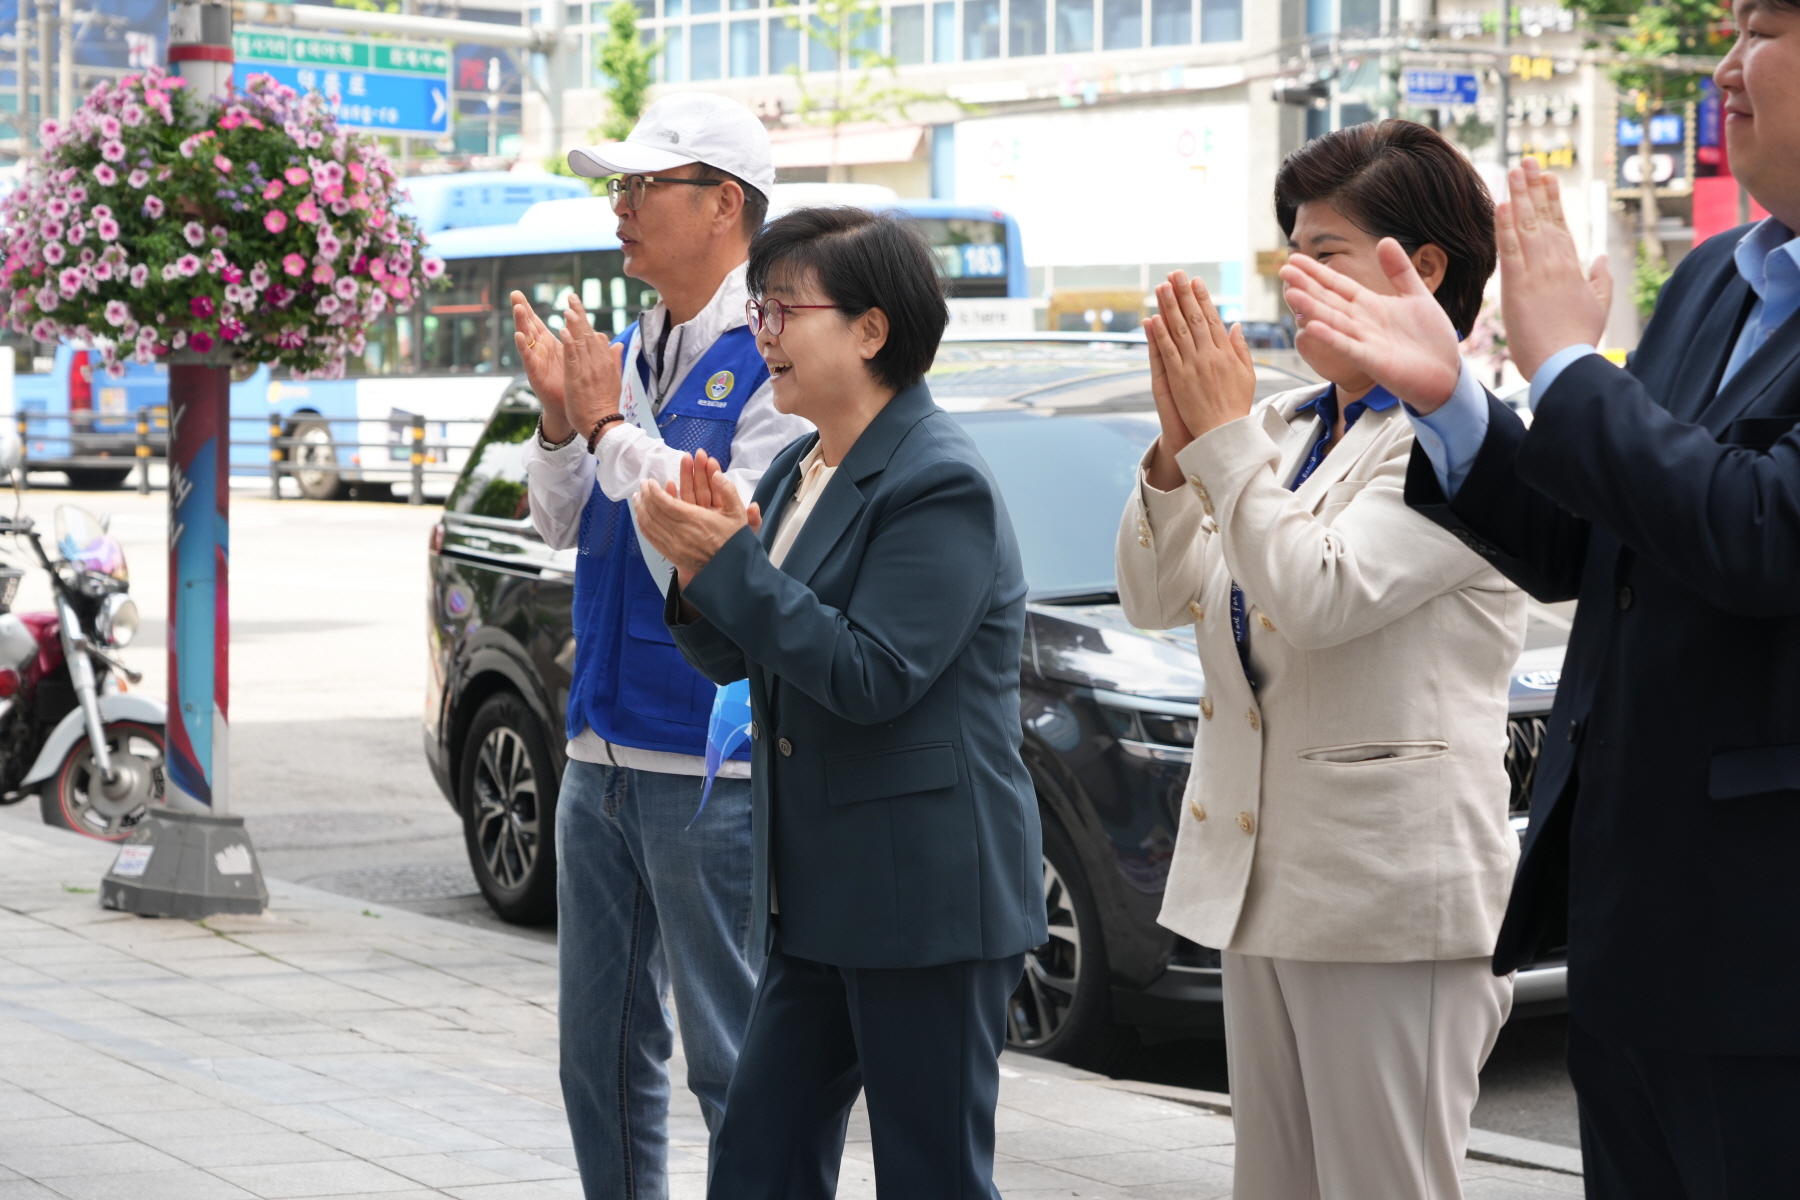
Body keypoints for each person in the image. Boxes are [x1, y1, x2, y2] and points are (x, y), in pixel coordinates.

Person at [1278, 4, 1800, 1194]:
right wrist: (1456, 402)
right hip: (1638, 929)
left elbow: (1763, 533)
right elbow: (1590, 543)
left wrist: (1568, 364)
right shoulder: (1722, 274)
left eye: (1762, 25)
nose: (1725, 63)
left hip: (1771, 952)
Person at [1116, 120, 1525, 1200]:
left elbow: (1322, 593)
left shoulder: (1464, 443)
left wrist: (1220, 445)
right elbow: (1155, 594)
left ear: (1419, 267)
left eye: (1324, 252)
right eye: (1289, 253)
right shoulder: (1289, 426)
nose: (1296, 280)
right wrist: (1174, 448)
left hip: (1390, 899)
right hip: (1265, 881)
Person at [628, 205, 1046, 1200]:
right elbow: (747, 651)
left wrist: (730, 565)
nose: (762, 331)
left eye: (783, 309)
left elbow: (871, 675)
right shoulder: (798, 464)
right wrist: (697, 574)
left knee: (930, 1175)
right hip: (820, 899)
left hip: (925, 900)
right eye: (758, 309)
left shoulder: (939, 482)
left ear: (871, 330)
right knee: (758, 1162)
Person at [513, 93, 810, 1200]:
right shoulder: (626, 346)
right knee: (597, 1056)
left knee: (731, 1057)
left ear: (724, 204)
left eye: (645, 187)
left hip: (711, 764)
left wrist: (604, 429)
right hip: (598, 750)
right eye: (618, 188)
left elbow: (725, 531)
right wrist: (560, 423)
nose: (621, 208)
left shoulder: (773, 342)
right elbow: (558, 521)